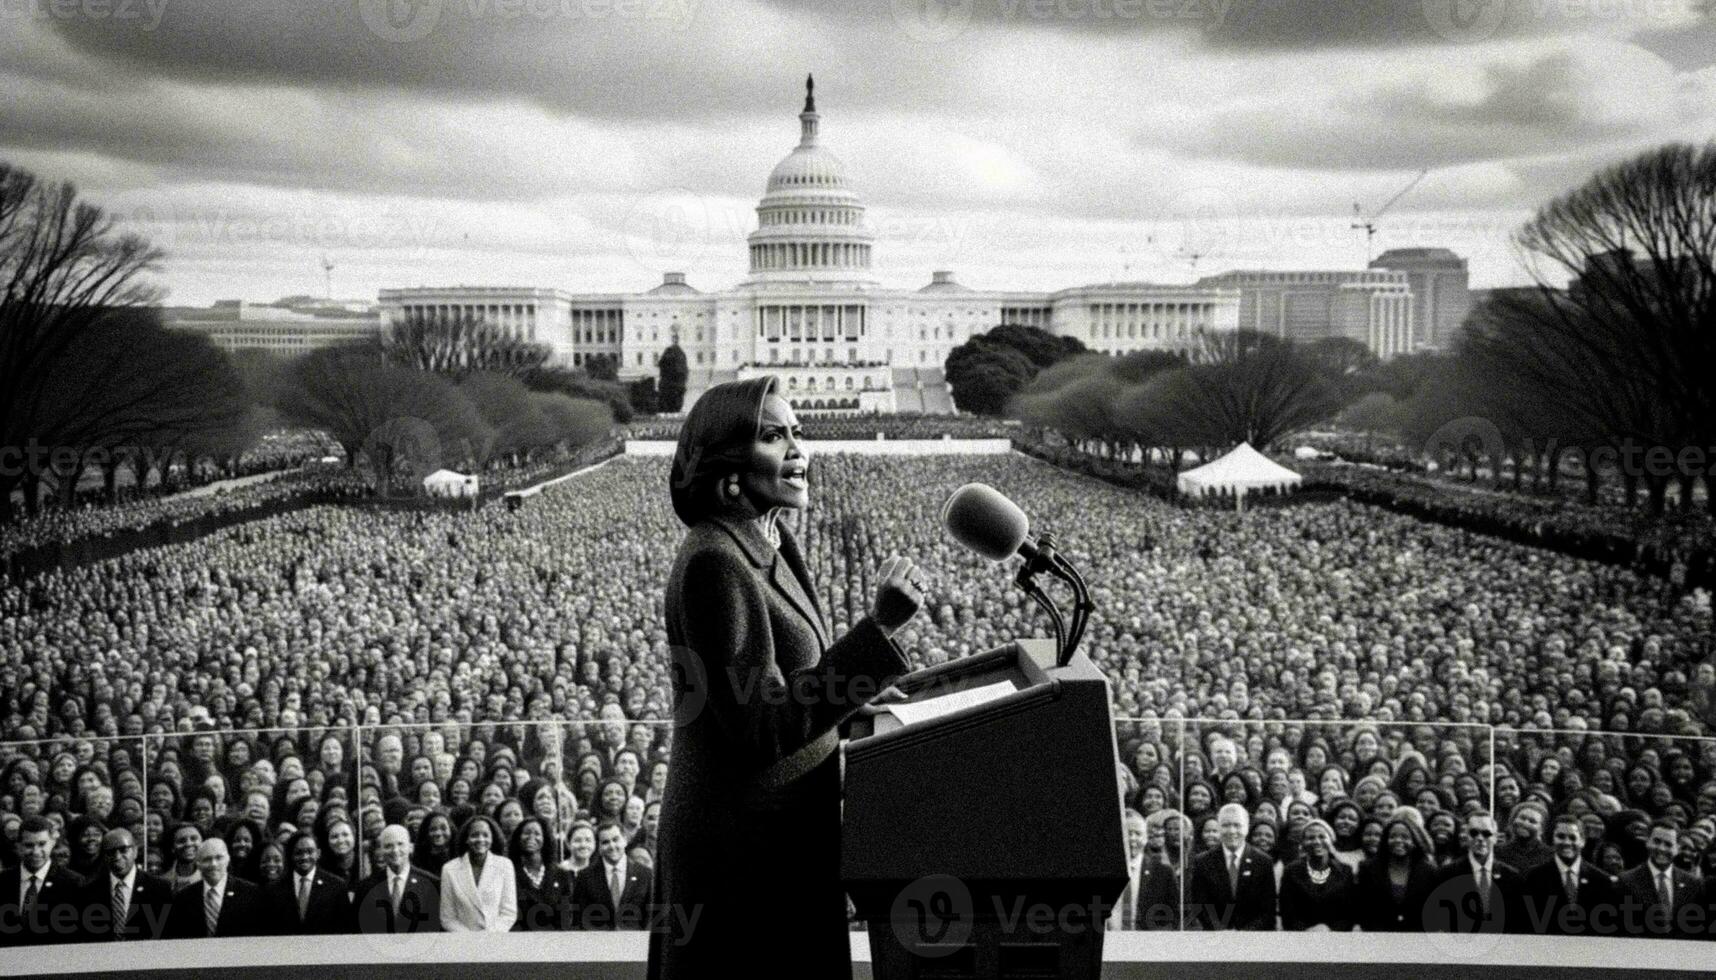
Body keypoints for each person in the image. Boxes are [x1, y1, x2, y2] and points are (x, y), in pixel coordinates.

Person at [647, 378, 922, 978]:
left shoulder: (771, 541)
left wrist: (857, 696)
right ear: (729, 468)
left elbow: (794, 678)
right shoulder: (715, 561)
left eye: (798, 432)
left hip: (785, 837)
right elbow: (762, 724)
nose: (800, 449)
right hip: (741, 856)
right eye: (774, 436)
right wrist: (877, 631)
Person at [1421, 811, 1524, 935]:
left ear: (1496, 837)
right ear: (1465, 836)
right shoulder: (1445, 875)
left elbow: (1517, 923)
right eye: (1474, 833)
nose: (1480, 838)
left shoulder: (1512, 878)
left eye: (1486, 834)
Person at [1523, 814, 1623, 937]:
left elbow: (1607, 926)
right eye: (1561, 837)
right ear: (1552, 840)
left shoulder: (1601, 880)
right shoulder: (1535, 877)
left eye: (1572, 837)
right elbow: (1528, 924)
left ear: (1582, 841)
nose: (1566, 842)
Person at [1186, 803, 1277, 930]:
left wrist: (1244, 935)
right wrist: (1222, 933)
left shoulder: (1263, 862)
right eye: (1226, 825)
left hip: (1253, 940)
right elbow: (1200, 906)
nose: (1231, 831)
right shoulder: (1203, 862)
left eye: (1237, 825)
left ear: (1246, 828)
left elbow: (1268, 910)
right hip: (1215, 939)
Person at [75, 828, 172, 942]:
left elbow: (167, 933)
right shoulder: (89, 891)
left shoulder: (159, 888)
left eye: (123, 850)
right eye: (111, 852)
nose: (117, 857)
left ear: (135, 851)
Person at [1, 816, 85, 947]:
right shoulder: (3, 881)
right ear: (18, 846)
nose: (36, 852)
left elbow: (78, 935)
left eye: (42, 844)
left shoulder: (73, 883)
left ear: (52, 842)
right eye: (29, 845)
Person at [1354, 813, 1438, 932]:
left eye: (1405, 837)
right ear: (1385, 840)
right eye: (1393, 836)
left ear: (1414, 842)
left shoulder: (1429, 871)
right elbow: (1361, 908)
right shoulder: (1367, 868)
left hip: (1417, 938)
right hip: (1378, 937)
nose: (1398, 840)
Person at [165, 838, 264, 939]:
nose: (213, 864)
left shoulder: (250, 893)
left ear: (228, 859)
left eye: (219, 858)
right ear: (198, 864)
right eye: (207, 859)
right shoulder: (183, 898)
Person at [351, 824, 440, 934]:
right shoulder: (365, 888)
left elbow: (437, 928)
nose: (395, 850)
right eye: (388, 846)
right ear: (382, 850)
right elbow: (356, 931)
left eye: (400, 844)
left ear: (411, 847)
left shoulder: (431, 884)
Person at [1619, 819, 1701, 939]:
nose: (1661, 848)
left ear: (1677, 848)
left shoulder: (1692, 883)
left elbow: (1695, 926)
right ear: (1647, 841)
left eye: (1668, 844)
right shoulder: (1627, 881)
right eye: (1657, 842)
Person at [265, 830, 350, 935]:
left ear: (318, 853)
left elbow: (345, 930)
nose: (304, 857)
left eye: (310, 852)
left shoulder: (336, 887)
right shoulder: (274, 890)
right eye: (298, 853)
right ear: (290, 855)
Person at [440, 814, 516, 932]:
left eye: (485, 835)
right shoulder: (449, 869)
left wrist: (490, 935)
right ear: (467, 839)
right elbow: (447, 917)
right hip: (462, 942)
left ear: (492, 839)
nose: (481, 839)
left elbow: (509, 912)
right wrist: (471, 939)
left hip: (495, 940)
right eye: (475, 835)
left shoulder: (505, 865)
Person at [573, 821, 653, 931]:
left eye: (616, 839)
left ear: (625, 839)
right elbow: (579, 919)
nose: (612, 846)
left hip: (634, 942)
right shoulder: (585, 877)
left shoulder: (645, 874)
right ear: (599, 847)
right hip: (598, 943)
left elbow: (650, 917)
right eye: (605, 842)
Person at [1278, 820, 1355, 931]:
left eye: (1322, 836)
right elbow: (1287, 913)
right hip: (1300, 938)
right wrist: (1307, 931)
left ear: (1331, 840)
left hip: (1336, 939)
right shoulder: (1291, 871)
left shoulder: (1345, 871)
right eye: (1310, 838)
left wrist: (1330, 930)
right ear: (1303, 843)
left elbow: (1349, 913)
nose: (1317, 841)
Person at [1107, 809, 1177, 930]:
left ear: (1145, 838)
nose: (1132, 839)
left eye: (1138, 834)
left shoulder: (1163, 872)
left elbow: (1173, 916)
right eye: (1127, 833)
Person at [510, 817, 572, 931]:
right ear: (518, 838)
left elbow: (565, 919)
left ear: (545, 839)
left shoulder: (561, 875)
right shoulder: (509, 873)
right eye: (526, 833)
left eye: (537, 833)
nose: (531, 837)